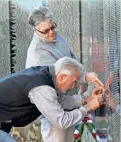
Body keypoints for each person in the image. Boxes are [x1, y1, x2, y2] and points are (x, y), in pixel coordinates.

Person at [25, 6, 104, 142]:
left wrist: (83, 76)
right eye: (45, 31)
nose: (51, 33)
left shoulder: (58, 38)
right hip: (54, 105)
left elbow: (71, 60)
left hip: (69, 100)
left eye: (52, 27)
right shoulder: (37, 53)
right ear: (35, 29)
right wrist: (83, 78)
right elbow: (60, 74)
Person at [0, 57, 104, 142]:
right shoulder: (42, 88)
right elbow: (62, 121)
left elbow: (58, 101)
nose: (73, 86)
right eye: (73, 81)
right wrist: (88, 107)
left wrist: (85, 100)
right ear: (62, 77)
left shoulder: (47, 74)